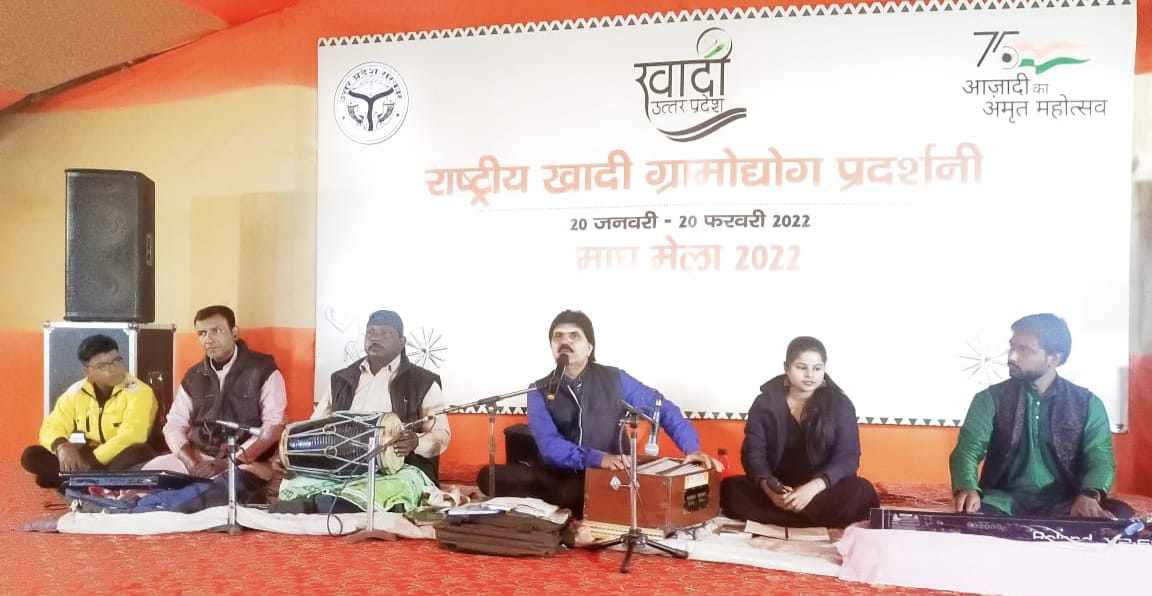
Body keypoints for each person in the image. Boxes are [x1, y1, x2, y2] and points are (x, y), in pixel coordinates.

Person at [477, 309, 722, 516]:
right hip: (559, 473)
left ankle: (573, 503)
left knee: (574, 493)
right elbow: (549, 445)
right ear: (551, 346)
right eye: (558, 336)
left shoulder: (615, 379)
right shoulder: (540, 390)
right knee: (488, 476)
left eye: (574, 335)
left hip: (610, 473)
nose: (565, 341)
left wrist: (692, 448)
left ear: (589, 347)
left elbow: (661, 408)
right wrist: (596, 457)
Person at [950, 313, 1133, 519]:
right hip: (1003, 502)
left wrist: (1090, 494)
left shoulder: (1087, 403)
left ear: (1053, 359)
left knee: (1119, 513)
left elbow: (1100, 457)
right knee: (969, 514)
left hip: (1065, 502)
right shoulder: (989, 399)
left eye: (1024, 350)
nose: (1011, 357)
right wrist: (967, 487)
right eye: (1012, 347)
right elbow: (968, 449)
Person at [275, 310, 448, 514]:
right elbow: (315, 424)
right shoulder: (341, 379)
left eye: (385, 333)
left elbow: (441, 435)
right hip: (338, 465)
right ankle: (331, 504)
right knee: (292, 481)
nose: (375, 338)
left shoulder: (423, 381)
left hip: (399, 468)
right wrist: (292, 456)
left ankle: (323, 505)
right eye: (370, 332)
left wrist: (416, 442)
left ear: (402, 342)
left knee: (401, 484)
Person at [720, 336, 878, 528]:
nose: (810, 375)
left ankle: (784, 516)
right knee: (730, 488)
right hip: (779, 486)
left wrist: (813, 488)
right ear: (786, 367)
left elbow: (848, 457)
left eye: (817, 368)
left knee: (862, 491)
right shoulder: (765, 403)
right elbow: (753, 453)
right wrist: (769, 488)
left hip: (822, 489)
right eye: (801, 367)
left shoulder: (840, 404)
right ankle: (801, 515)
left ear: (824, 368)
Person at [144, 305, 286, 487]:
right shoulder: (194, 376)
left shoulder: (263, 370)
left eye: (216, 331)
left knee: (216, 490)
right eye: (202, 333)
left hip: (247, 462)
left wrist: (227, 463)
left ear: (234, 333)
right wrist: (191, 463)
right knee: (146, 479)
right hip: (200, 459)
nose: (208, 339)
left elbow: (273, 427)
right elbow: (174, 425)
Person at [21, 334, 158, 488]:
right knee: (31, 455)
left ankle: (72, 479)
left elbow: (132, 436)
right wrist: (62, 446)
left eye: (116, 361)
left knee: (139, 453)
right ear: (86, 371)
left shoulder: (139, 392)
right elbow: (52, 426)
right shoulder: (75, 393)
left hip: (119, 454)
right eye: (102, 366)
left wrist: (92, 460)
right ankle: (94, 480)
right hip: (90, 453)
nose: (113, 369)